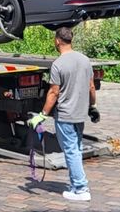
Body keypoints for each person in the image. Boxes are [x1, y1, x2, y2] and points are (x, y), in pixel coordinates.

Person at [27, 27, 98, 202]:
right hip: (80, 113)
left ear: (58, 41)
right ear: (70, 40)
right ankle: (76, 185)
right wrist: (92, 106)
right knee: (77, 149)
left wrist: (42, 114)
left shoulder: (58, 64)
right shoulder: (84, 60)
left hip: (66, 114)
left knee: (71, 151)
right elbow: (91, 87)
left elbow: (53, 93)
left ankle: (81, 189)